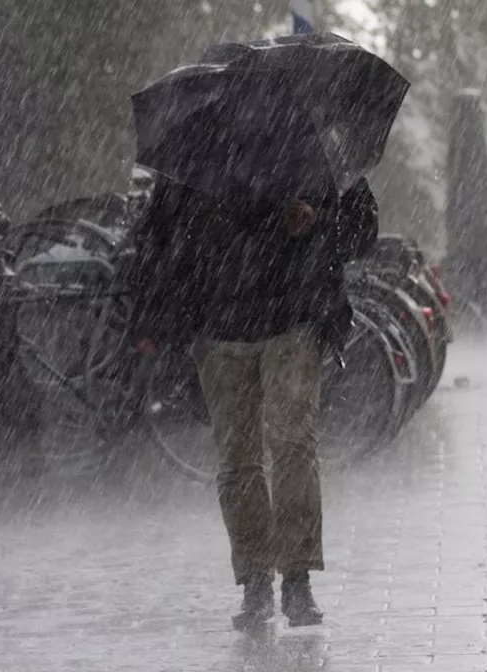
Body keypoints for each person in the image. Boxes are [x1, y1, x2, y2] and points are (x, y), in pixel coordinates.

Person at [127, 175, 378, 630]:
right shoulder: (195, 152)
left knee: (293, 449)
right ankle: (256, 581)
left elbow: (361, 233)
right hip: (219, 327)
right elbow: (160, 238)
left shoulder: (313, 144)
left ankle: (297, 580)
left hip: (293, 319)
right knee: (239, 460)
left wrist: (317, 221)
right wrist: (156, 318)